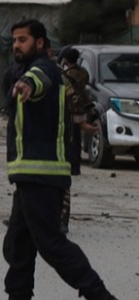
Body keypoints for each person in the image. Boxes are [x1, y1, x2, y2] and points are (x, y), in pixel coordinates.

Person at [0, 19, 125, 300]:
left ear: (41, 43)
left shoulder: (43, 69)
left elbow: (38, 80)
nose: (17, 44)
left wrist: (26, 86)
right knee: (18, 241)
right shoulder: (29, 70)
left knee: (51, 243)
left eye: (23, 39)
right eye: (15, 40)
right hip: (30, 172)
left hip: (42, 172)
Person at [60, 48, 99, 233]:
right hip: (72, 126)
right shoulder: (82, 74)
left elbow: (75, 100)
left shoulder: (66, 77)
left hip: (66, 127)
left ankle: (60, 219)